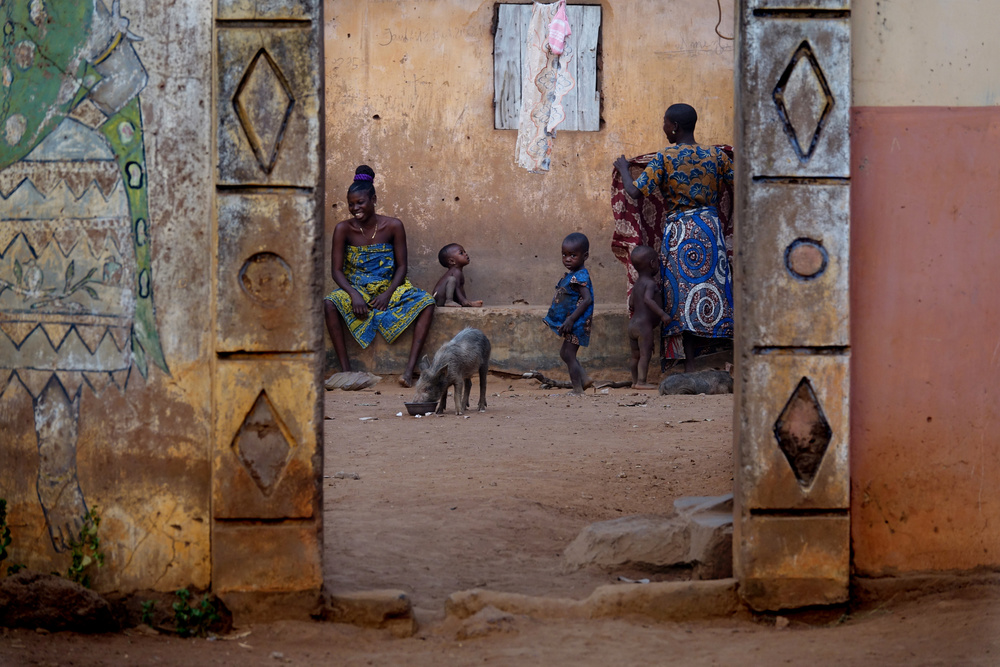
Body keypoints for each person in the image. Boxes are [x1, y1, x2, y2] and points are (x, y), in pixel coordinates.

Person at [613, 103, 735, 373]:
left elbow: (635, 193)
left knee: (680, 298)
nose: (664, 127)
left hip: (680, 235)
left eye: (665, 123)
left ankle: (688, 364)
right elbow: (741, 182)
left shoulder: (665, 158)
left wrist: (623, 169)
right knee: (708, 293)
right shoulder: (715, 156)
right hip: (709, 232)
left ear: (675, 126)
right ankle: (713, 356)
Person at [324, 165, 435, 388]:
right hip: (357, 288)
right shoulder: (343, 229)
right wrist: (354, 294)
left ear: (373, 199)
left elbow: (402, 267)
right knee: (329, 303)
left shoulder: (393, 226)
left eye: (360, 203)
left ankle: (408, 371)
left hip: (389, 287)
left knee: (427, 303)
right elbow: (336, 271)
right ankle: (347, 373)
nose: (355, 208)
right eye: (351, 204)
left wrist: (388, 293)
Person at [543, 233, 594, 394]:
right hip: (572, 322)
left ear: (585, 256)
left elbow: (587, 300)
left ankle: (577, 389)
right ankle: (584, 379)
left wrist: (571, 320)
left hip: (577, 323)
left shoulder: (580, 276)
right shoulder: (573, 275)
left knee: (569, 354)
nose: (567, 259)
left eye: (573, 255)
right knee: (565, 353)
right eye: (564, 255)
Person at [627, 245, 670, 389]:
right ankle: (641, 382)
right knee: (645, 355)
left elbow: (632, 304)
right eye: (657, 261)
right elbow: (647, 299)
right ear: (652, 264)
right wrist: (662, 314)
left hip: (633, 324)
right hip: (644, 326)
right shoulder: (650, 284)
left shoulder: (636, 284)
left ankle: (634, 381)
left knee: (635, 356)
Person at [432, 243, 483, 308]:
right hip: (438, 299)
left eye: (465, 252)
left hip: (440, 299)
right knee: (451, 279)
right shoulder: (456, 272)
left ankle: (463, 302)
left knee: (454, 283)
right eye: (461, 253)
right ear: (452, 261)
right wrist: (464, 301)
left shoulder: (458, 271)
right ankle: (449, 301)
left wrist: (465, 300)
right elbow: (457, 288)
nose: (465, 254)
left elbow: (460, 288)